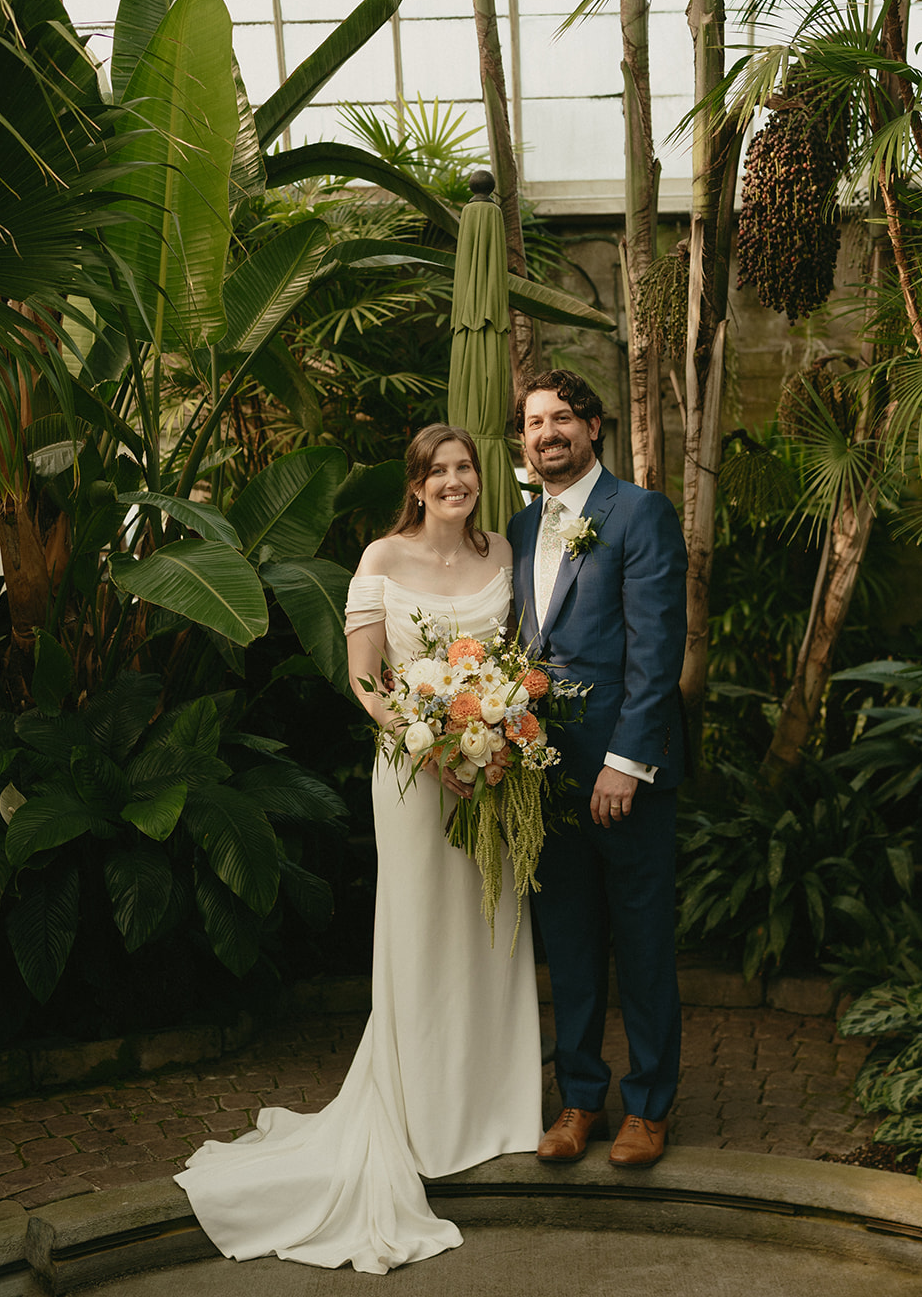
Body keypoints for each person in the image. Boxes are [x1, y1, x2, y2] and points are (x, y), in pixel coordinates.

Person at [176, 425, 542, 1275]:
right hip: (416, 778)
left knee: (494, 931)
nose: (453, 482)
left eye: (465, 469)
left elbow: (514, 661)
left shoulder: (502, 558)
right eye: (437, 472)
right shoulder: (378, 557)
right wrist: (433, 744)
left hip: (493, 773)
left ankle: (495, 1111)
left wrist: (494, 735)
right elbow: (366, 682)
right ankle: (423, 1120)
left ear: (478, 481)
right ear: (414, 486)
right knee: (422, 940)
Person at [507, 369, 687, 1168]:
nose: (546, 432)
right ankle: (579, 1099)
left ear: (592, 425)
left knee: (642, 942)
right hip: (542, 770)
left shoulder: (639, 512)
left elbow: (656, 648)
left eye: (560, 418)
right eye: (532, 422)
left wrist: (625, 760)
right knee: (569, 942)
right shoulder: (515, 528)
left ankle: (648, 1107)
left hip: (623, 771)